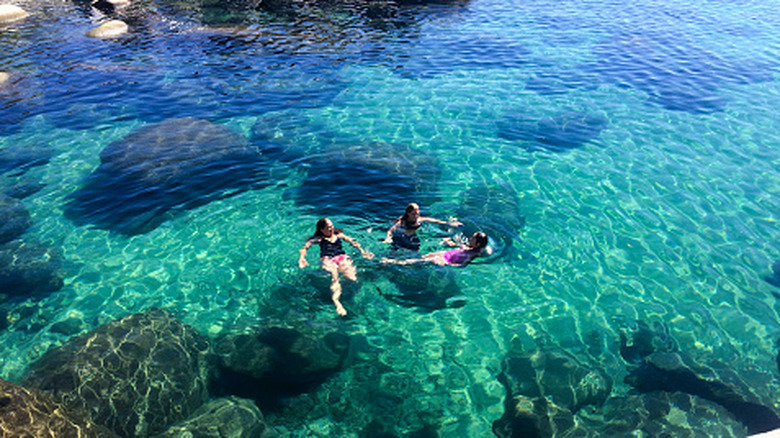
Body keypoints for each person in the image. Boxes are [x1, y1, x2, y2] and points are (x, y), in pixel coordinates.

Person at [299, 218, 374, 316]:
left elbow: (353, 242)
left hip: (341, 257)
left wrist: (363, 251)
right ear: (322, 230)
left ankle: (345, 295)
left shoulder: (339, 235)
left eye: (332, 226)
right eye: (328, 227)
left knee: (353, 278)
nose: (331, 229)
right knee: (335, 277)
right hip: (328, 260)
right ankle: (337, 301)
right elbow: (304, 248)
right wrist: (302, 258)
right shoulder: (319, 239)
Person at [383, 203, 463, 251]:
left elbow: (434, 220)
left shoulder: (419, 220)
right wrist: (388, 238)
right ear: (408, 213)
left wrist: (448, 224)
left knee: (415, 252)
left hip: (413, 237)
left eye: (417, 214)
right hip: (401, 237)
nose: (416, 216)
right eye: (413, 214)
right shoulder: (402, 222)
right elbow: (390, 231)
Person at [381, 231, 489, 267]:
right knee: (423, 256)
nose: (471, 238)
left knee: (420, 261)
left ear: (478, 243)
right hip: (445, 254)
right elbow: (456, 246)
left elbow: (465, 262)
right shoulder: (468, 245)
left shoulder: (476, 253)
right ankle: (397, 256)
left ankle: (392, 262)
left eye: (473, 238)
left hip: (446, 260)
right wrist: (449, 242)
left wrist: (451, 265)